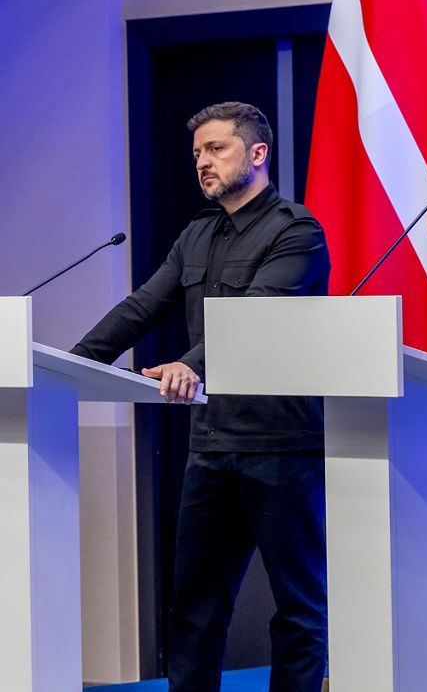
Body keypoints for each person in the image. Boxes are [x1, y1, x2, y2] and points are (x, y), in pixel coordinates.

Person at [72, 102, 330, 692]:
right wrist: (74, 363)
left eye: (216, 149)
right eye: (197, 155)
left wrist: (189, 366)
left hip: (282, 448)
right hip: (210, 446)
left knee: (298, 608)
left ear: (258, 153)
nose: (202, 163)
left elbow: (257, 316)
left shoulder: (297, 231)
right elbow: (142, 306)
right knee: (194, 607)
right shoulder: (197, 233)